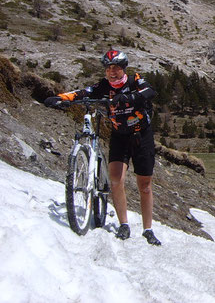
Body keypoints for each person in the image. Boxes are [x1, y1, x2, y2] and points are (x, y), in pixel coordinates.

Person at [45, 49, 161, 246]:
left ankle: (147, 229)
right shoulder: (103, 86)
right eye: (108, 68)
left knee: (145, 185)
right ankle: (124, 224)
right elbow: (83, 93)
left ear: (123, 68)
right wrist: (60, 98)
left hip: (142, 136)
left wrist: (129, 98)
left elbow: (149, 92)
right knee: (116, 179)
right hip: (119, 136)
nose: (112, 72)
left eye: (116, 68)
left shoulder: (135, 81)